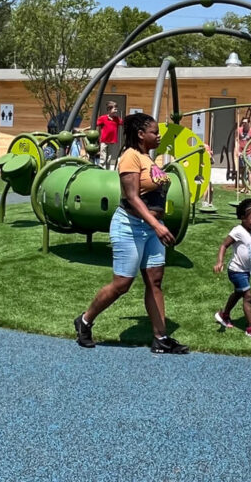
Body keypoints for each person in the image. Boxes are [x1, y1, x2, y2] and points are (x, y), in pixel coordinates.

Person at [74, 112, 188, 354]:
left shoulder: (147, 158)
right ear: (140, 134)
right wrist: (157, 225)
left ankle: (161, 338)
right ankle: (84, 321)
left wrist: (157, 223)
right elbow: (132, 197)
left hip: (150, 228)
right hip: (130, 226)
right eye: (154, 133)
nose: (158, 136)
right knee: (122, 284)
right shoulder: (129, 157)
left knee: (155, 281)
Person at [213, 198, 251, 340]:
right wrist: (220, 261)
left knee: (238, 294)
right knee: (248, 295)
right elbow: (223, 245)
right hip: (236, 270)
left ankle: (223, 315)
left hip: (246, 271)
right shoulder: (238, 231)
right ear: (243, 218)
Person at [96, 102, 123, 169]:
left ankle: (110, 169)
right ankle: (102, 168)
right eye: (115, 109)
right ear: (109, 110)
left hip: (113, 141)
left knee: (111, 157)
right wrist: (85, 129)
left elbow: (123, 123)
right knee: (103, 156)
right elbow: (95, 124)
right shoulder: (103, 118)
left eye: (116, 109)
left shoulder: (117, 119)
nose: (116, 111)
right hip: (104, 140)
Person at [236, 118, 251, 188]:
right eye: (243, 123)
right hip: (241, 153)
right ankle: (244, 187)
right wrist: (238, 151)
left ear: (248, 123)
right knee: (242, 170)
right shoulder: (239, 130)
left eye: (245, 123)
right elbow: (237, 141)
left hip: (249, 153)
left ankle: (249, 187)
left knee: (248, 170)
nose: (243, 124)